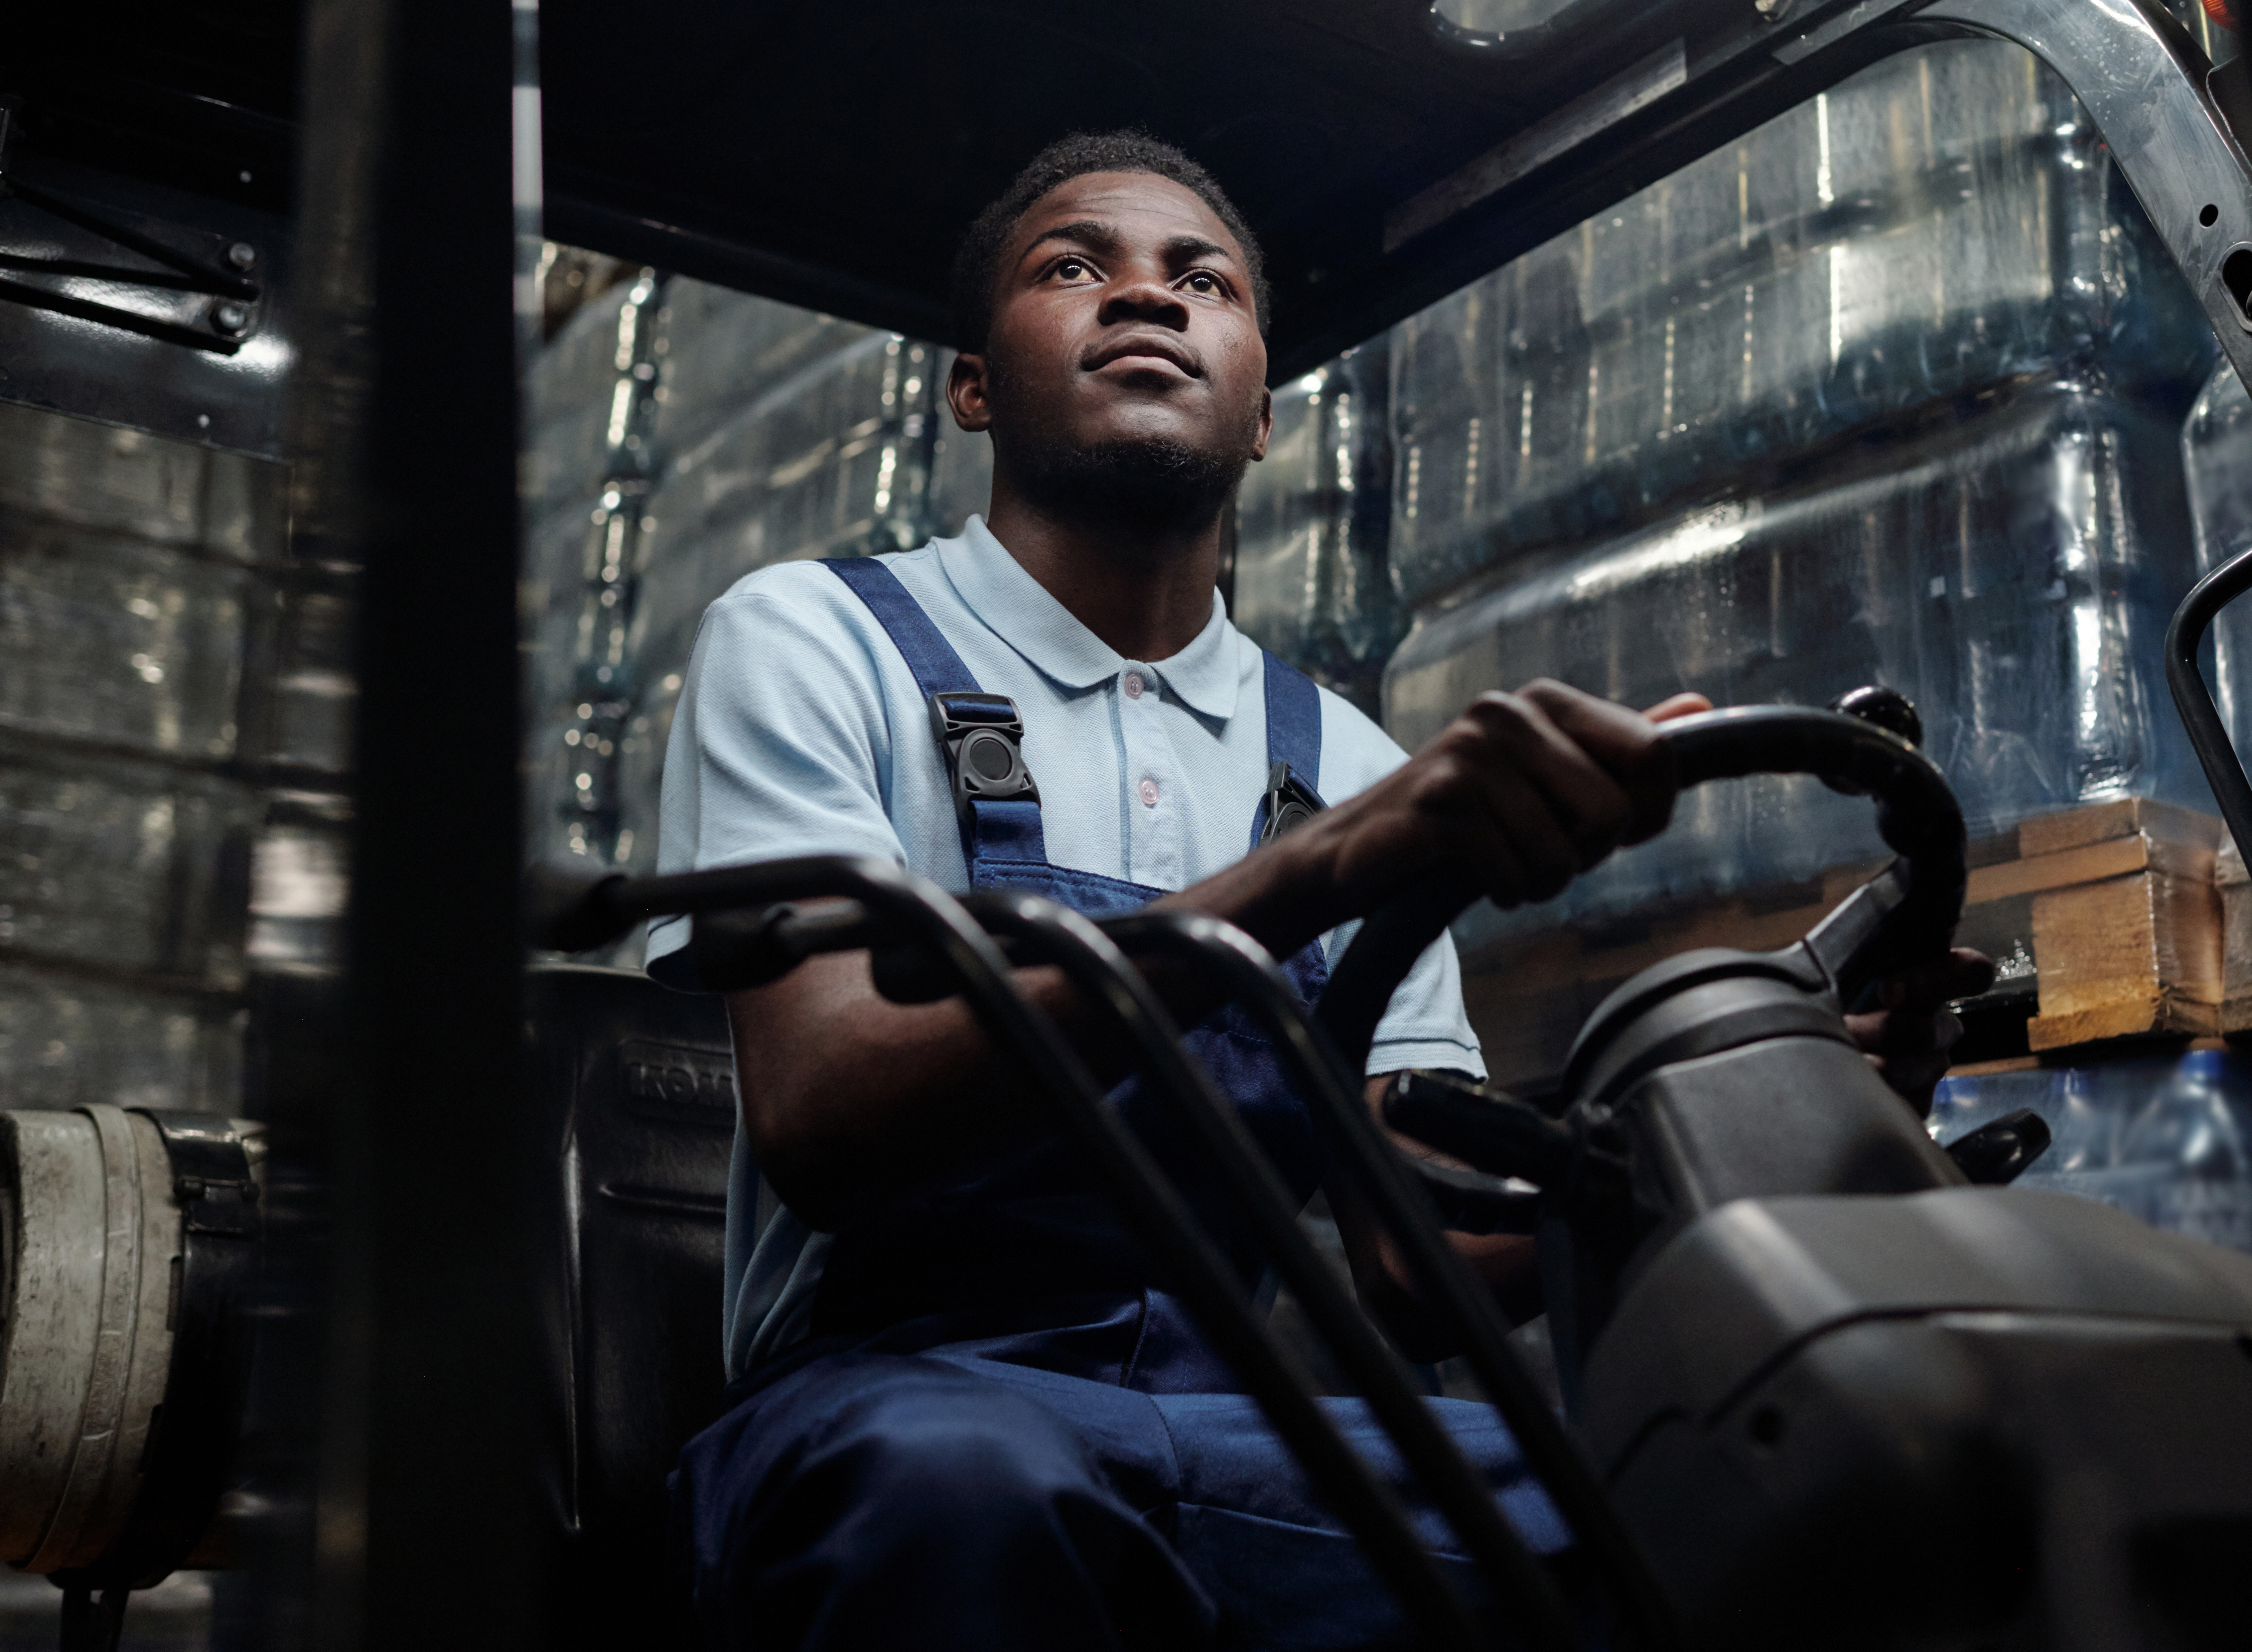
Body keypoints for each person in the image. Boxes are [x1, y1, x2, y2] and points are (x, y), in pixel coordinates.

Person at [653, 132, 1985, 1649]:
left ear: (1265, 413)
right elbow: (827, 1112)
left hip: (1244, 1417)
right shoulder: (818, 641)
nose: (1145, 299)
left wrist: (1732, 1104)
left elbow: (1414, 1262)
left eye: (1199, 279)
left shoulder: (1341, 752)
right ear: (973, 386)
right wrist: (1324, 866)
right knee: (962, 1491)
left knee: (1726, 1500)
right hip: (898, 1396)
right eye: (1075, 266)